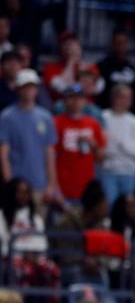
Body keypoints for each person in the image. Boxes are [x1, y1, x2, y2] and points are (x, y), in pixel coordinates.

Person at [0, 69, 60, 202]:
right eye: (25, 87)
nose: (28, 91)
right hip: (17, 186)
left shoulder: (46, 117)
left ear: (36, 89)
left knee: (39, 222)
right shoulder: (6, 117)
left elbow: (49, 153)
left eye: (31, 87)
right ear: (18, 89)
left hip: (40, 185)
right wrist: (9, 184)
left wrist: (51, 185)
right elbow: (3, 153)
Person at [54, 84, 106, 203]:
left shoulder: (93, 124)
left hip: (86, 188)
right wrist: (55, 188)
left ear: (85, 101)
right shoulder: (56, 123)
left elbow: (101, 159)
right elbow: (50, 157)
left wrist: (94, 145)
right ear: (65, 101)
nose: (76, 102)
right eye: (72, 98)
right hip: (63, 187)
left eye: (79, 98)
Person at [101, 83, 135, 205]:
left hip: (129, 172)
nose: (125, 101)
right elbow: (104, 148)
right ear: (114, 98)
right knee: (108, 206)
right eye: (122, 97)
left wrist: (122, 144)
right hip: (108, 171)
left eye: (128, 98)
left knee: (126, 209)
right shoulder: (103, 117)